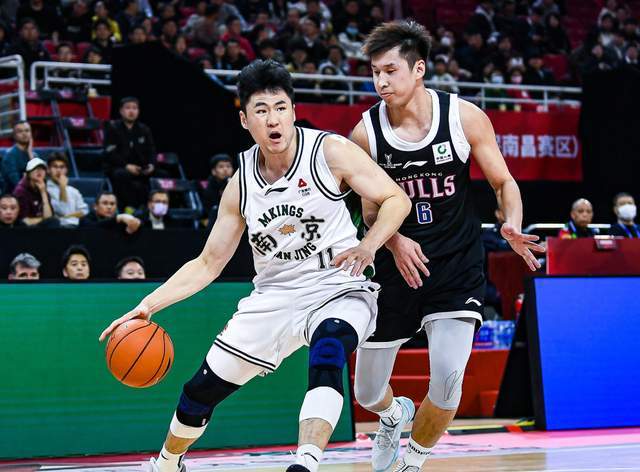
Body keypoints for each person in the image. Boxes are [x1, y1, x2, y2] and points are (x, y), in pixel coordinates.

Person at [98, 59, 411, 472]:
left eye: (280, 108)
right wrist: (148, 306)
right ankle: (168, 463)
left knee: (329, 350)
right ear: (245, 120)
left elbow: (396, 199)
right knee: (200, 391)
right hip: (274, 293)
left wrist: (369, 245)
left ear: (293, 111)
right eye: (261, 111)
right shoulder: (241, 183)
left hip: (337, 281)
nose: (273, 119)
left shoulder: (329, 151)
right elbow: (208, 263)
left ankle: (304, 464)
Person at [349, 21, 545, 472]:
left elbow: (503, 182)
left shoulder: (463, 117)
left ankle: (413, 461)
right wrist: (395, 241)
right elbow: (370, 212)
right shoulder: (365, 134)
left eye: (390, 71)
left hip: (456, 265)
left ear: (418, 69)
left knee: (448, 380)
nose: (381, 82)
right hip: (395, 268)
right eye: (375, 73)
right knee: (365, 392)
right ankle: (392, 415)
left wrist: (511, 224)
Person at [103, 97, 158, 212]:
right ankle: (127, 208)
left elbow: (152, 150)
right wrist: (126, 166)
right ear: (121, 111)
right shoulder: (112, 128)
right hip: (119, 167)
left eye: (134, 108)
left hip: (141, 168)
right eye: (128, 108)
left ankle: (157, 209)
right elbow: (109, 153)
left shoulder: (144, 129)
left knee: (163, 175)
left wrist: (151, 165)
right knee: (121, 175)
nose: (131, 111)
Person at [12, 158, 58, 228]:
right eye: (35, 168)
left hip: (41, 226)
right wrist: (45, 219)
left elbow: (49, 216)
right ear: (28, 173)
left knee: (54, 223)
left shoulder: (43, 188)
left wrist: (43, 193)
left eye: (42, 169)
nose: (39, 171)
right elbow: (24, 221)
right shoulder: (20, 191)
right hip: (25, 229)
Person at [47, 153, 89, 227]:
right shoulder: (45, 190)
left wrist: (67, 216)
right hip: (58, 228)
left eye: (62, 167)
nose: (58, 170)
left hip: (76, 228)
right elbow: (62, 210)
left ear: (66, 170)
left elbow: (84, 211)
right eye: (55, 167)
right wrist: (62, 187)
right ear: (48, 170)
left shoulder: (74, 191)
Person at [1, 120, 36, 193]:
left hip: (32, 193)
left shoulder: (34, 155)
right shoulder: (9, 156)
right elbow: (17, 184)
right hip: (13, 195)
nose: (24, 134)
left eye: (27, 130)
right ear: (14, 135)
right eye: (20, 131)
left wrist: (30, 153)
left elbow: (39, 178)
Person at [201, 154, 234, 227]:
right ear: (214, 171)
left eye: (228, 166)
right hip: (213, 219)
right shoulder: (210, 186)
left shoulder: (235, 184)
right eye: (221, 167)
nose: (225, 169)